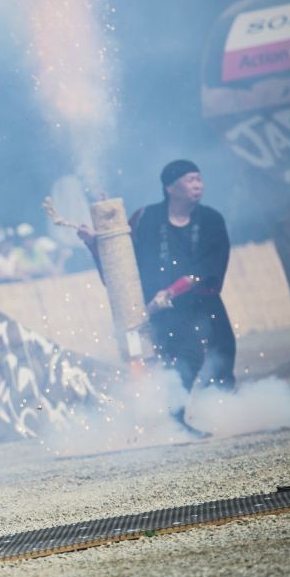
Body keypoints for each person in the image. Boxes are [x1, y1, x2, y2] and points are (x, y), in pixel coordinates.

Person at [80, 160, 237, 419]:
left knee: (223, 350)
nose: (197, 185)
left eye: (199, 179)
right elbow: (121, 264)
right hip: (163, 309)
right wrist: (95, 243)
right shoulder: (146, 218)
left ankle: (222, 413)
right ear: (170, 187)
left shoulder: (211, 220)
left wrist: (170, 292)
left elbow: (209, 267)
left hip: (201, 301)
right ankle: (174, 418)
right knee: (186, 354)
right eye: (190, 180)